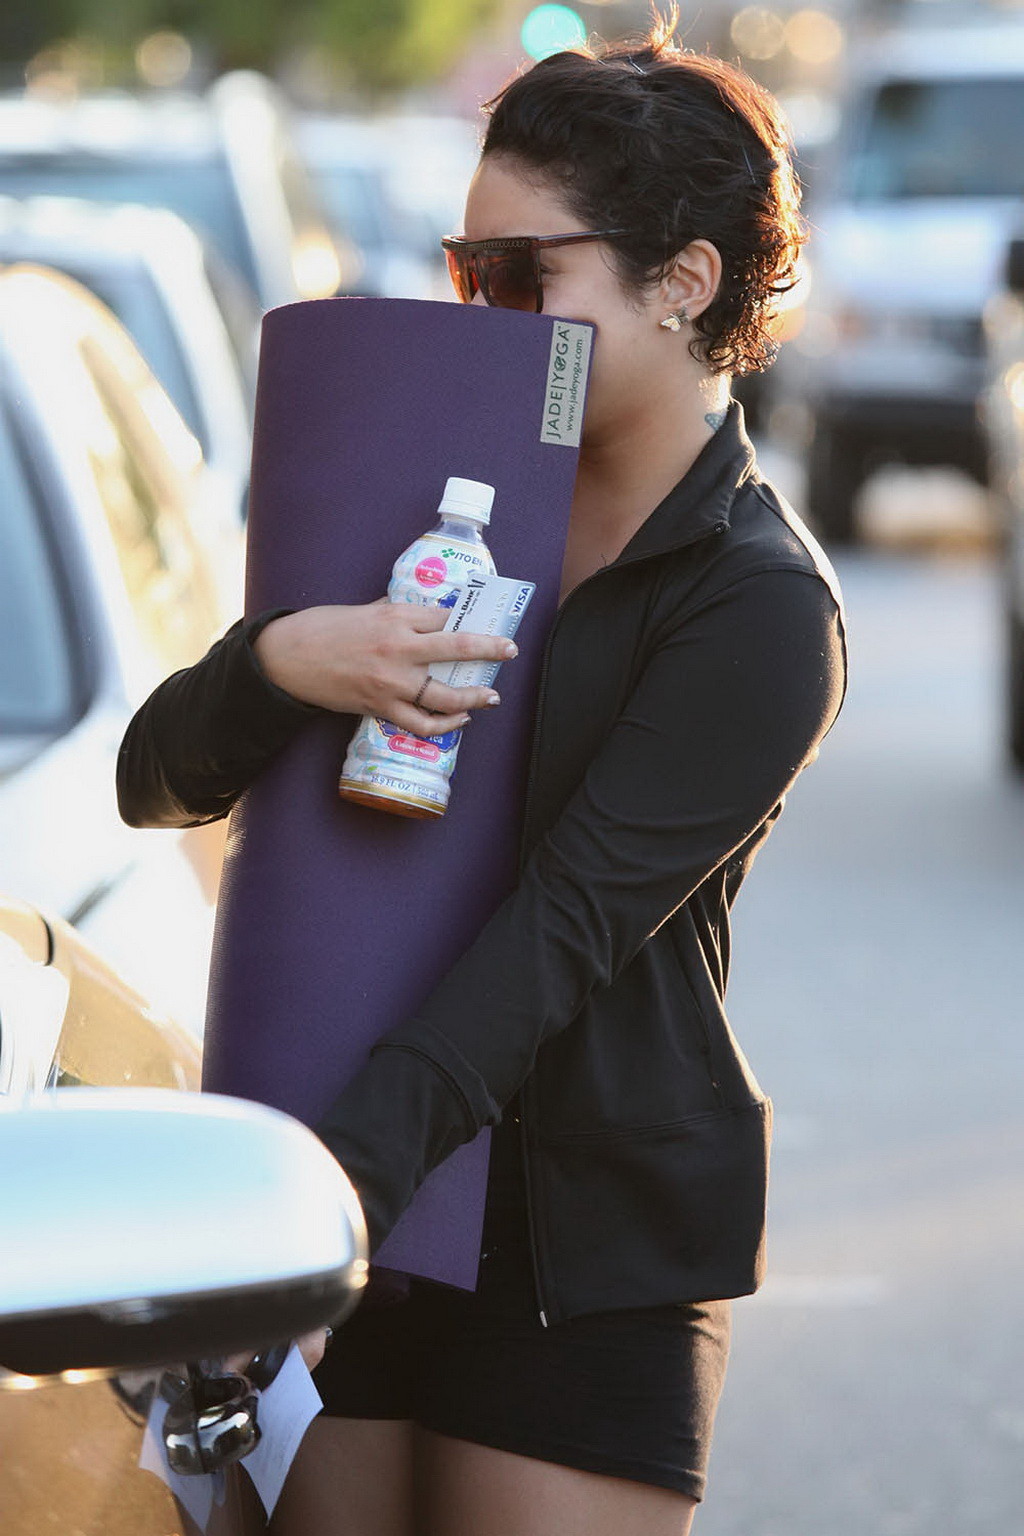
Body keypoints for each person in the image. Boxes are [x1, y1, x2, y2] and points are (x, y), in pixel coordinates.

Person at [118, 14, 848, 1536]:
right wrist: (281, 665)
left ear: (684, 282)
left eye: (528, 277)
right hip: (341, 1171)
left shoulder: (761, 608)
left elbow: (555, 938)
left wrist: (324, 1213)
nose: (486, 314)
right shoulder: (428, 474)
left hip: (571, 1257)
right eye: (470, 270)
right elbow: (157, 783)